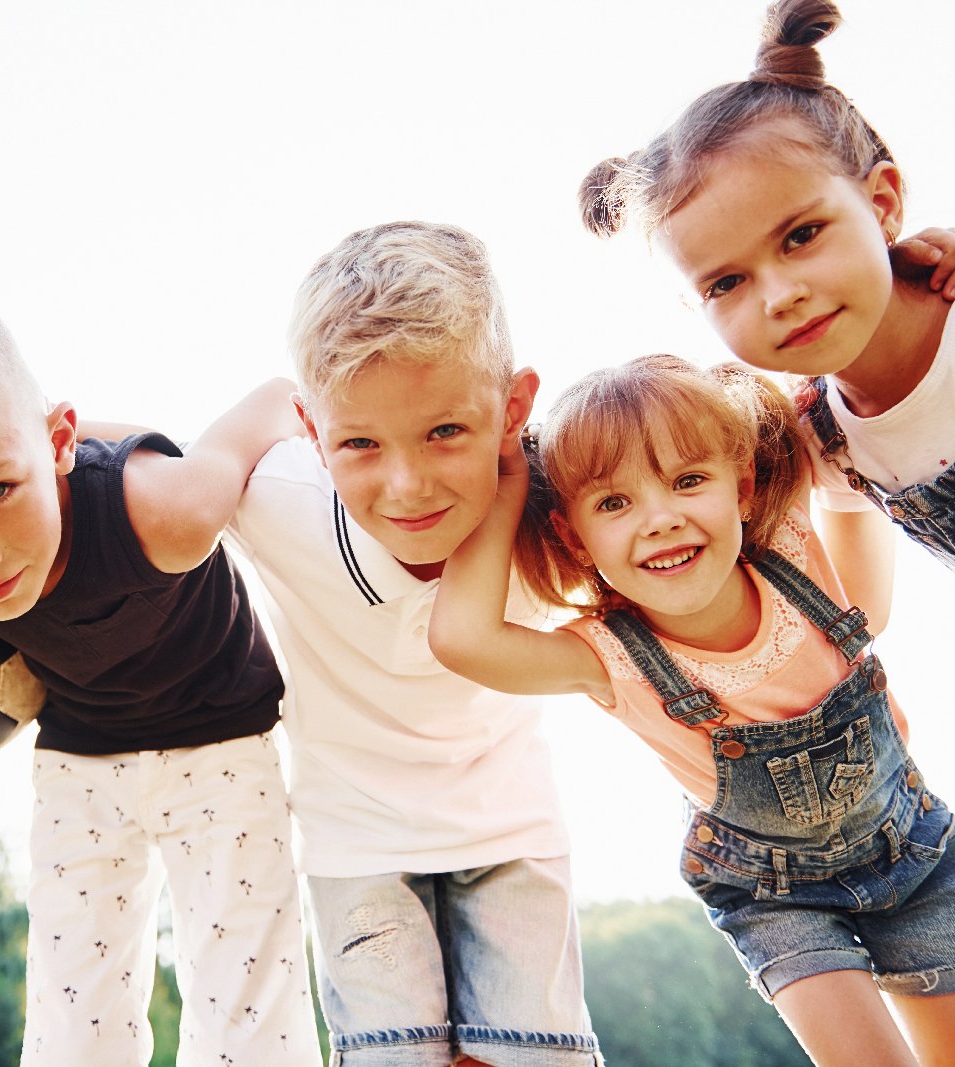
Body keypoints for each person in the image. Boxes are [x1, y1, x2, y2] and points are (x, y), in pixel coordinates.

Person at [429, 354, 955, 1067]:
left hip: (913, 855)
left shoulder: (797, 548)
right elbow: (461, 639)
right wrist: (509, 475)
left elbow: (843, 406)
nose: (660, 519)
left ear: (743, 485)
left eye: (688, 480)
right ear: (575, 538)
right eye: (614, 503)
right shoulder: (606, 654)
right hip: (777, 900)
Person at [0, 283, 321, 1067]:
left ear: (58, 442)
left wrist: (128, 443)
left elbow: (277, 398)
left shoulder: (165, 515)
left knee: (248, 1013)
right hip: (80, 757)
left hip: (221, 743)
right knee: (72, 1020)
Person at [227, 220, 602, 1067]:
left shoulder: (564, 509)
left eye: (445, 433)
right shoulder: (280, 501)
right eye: (359, 443)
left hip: (511, 833)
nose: (407, 485)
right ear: (310, 430)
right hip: (357, 846)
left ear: (513, 409)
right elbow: (89, 476)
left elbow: (724, 458)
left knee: (537, 1058)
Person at [579, 0, 955, 684]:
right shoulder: (826, 441)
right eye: (727, 282)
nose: (778, 294)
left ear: (882, 204)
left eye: (801, 236)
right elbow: (859, 612)